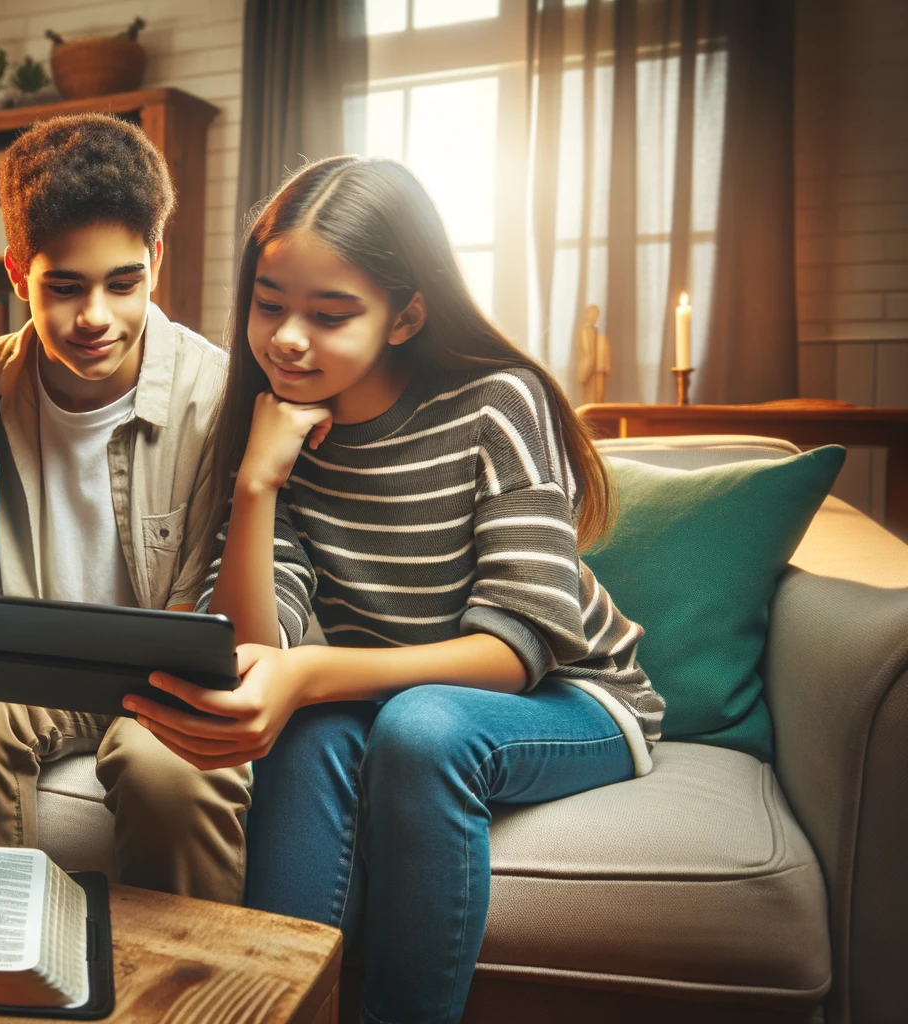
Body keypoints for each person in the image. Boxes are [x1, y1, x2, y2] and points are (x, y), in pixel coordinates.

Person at [122, 157, 665, 1024]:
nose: (288, 338)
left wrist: (306, 675)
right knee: (310, 739)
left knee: (422, 728)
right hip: (395, 695)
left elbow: (514, 649)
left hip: (573, 695)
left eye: (331, 314)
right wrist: (259, 484)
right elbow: (260, 645)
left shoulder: (497, 405)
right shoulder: (276, 427)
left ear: (407, 314)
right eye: (269, 304)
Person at [0, 115, 248, 903]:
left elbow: (222, 602)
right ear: (16, 273)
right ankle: (0, 955)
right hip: (41, 672)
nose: (95, 317)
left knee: (165, 769)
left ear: (156, 262)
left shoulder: (218, 397)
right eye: (63, 287)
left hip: (174, 682)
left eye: (123, 282)